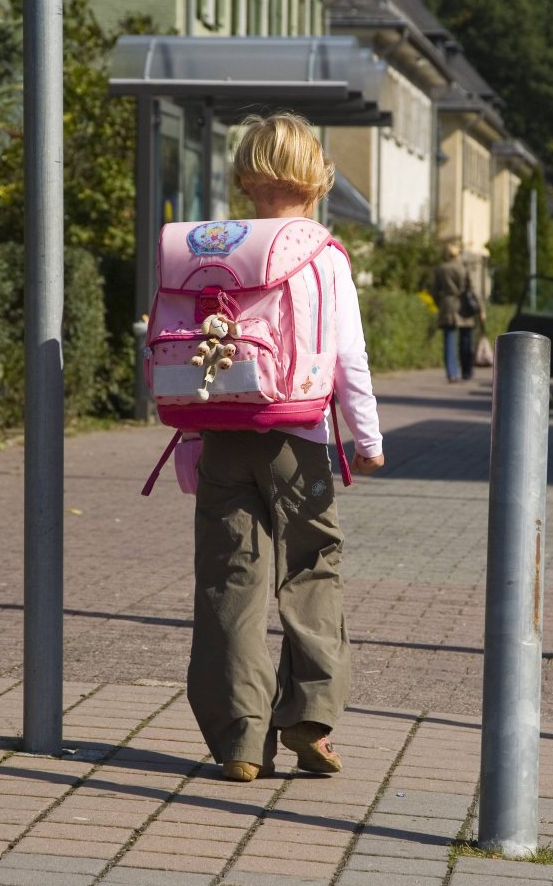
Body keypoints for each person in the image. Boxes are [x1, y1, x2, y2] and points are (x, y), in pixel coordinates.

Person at [188, 112, 384, 783]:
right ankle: (307, 715)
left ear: (246, 174)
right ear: (316, 176)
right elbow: (348, 358)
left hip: (221, 432)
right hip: (297, 437)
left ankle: (239, 739)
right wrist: (367, 438)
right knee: (311, 568)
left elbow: (195, 350)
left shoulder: (212, 248)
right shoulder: (323, 255)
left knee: (230, 580)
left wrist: (192, 440)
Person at [431, 242, 480, 381]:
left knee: (449, 340)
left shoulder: (441, 269)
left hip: (447, 305)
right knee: (466, 340)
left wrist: (440, 303)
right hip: (464, 305)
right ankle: (467, 371)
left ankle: (452, 373)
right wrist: (480, 308)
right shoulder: (464, 269)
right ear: (457, 254)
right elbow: (473, 290)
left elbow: (435, 291)